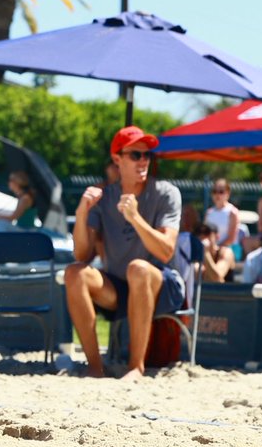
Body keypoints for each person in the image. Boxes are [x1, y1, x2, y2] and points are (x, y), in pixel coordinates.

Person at [65, 125, 183, 381]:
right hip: (119, 288)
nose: (143, 161)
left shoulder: (167, 193)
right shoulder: (104, 197)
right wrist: (82, 213)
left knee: (138, 268)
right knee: (74, 273)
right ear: (117, 159)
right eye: (136, 155)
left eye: (147, 155)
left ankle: (135, 368)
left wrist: (135, 218)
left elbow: (166, 251)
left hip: (163, 285)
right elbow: (82, 255)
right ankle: (95, 368)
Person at [206, 178, 244, 258]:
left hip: (230, 249)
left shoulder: (232, 212)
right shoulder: (209, 212)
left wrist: (217, 247)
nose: (217, 195)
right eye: (214, 191)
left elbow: (231, 239)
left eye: (221, 192)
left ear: (228, 193)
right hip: (212, 249)